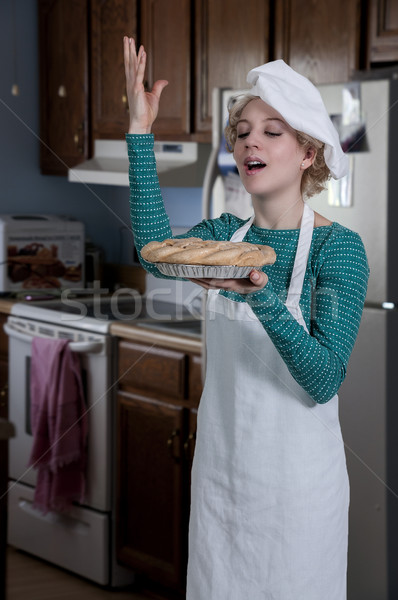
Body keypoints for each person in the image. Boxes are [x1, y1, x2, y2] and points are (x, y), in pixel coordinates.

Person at [123, 37, 369, 600]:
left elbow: (323, 380)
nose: (249, 140)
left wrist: (260, 296)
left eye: (271, 131)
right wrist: (140, 129)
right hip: (222, 480)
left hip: (297, 498)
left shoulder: (339, 250)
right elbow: (153, 252)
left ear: (308, 153)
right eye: (241, 131)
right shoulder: (221, 238)